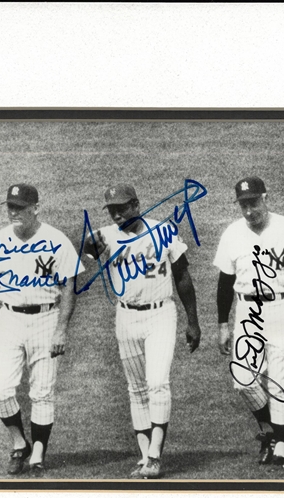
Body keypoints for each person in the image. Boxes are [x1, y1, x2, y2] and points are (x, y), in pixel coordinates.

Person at [86, 183, 201, 479]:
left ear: (136, 205)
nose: (116, 215)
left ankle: (155, 456)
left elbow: (183, 276)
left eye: (121, 208)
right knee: (136, 389)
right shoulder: (104, 236)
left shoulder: (164, 231)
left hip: (161, 313)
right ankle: (144, 456)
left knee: (157, 383)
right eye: (111, 210)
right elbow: (79, 260)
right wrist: (85, 249)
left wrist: (193, 321)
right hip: (125, 317)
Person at [0, 183, 84, 476]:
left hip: (46, 319)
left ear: (36, 208)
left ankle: (38, 451)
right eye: (10, 207)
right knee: (0, 390)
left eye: (20, 207)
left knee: (42, 392)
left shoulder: (56, 240)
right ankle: (18, 441)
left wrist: (62, 328)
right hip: (9, 321)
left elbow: (70, 287)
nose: (14, 212)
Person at [214, 176, 284, 471]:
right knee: (244, 379)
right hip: (248, 310)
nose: (249, 210)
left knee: (281, 379)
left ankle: (280, 446)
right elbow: (225, 282)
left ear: (265, 198)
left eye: (254, 202)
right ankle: (270, 431)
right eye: (244, 204)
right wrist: (223, 323)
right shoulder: (233, 234)